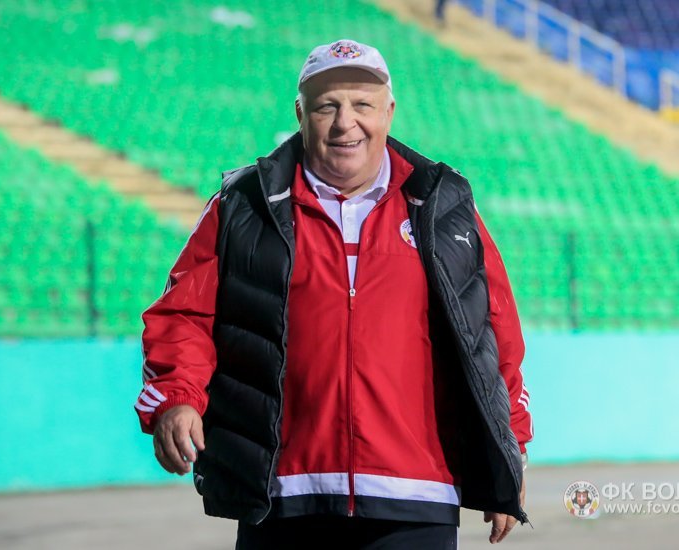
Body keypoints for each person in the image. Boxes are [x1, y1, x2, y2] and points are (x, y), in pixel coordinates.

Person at [134, 38, 533, 549]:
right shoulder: (244, 204)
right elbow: (185, 315)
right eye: (327, 106)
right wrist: (177, 396)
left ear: (389, 113)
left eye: (363, 104)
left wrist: (509, 448)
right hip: (282, 494)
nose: (346, 123)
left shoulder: (442, 205)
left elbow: (493, 336)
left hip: (417, 496)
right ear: (301, 114)